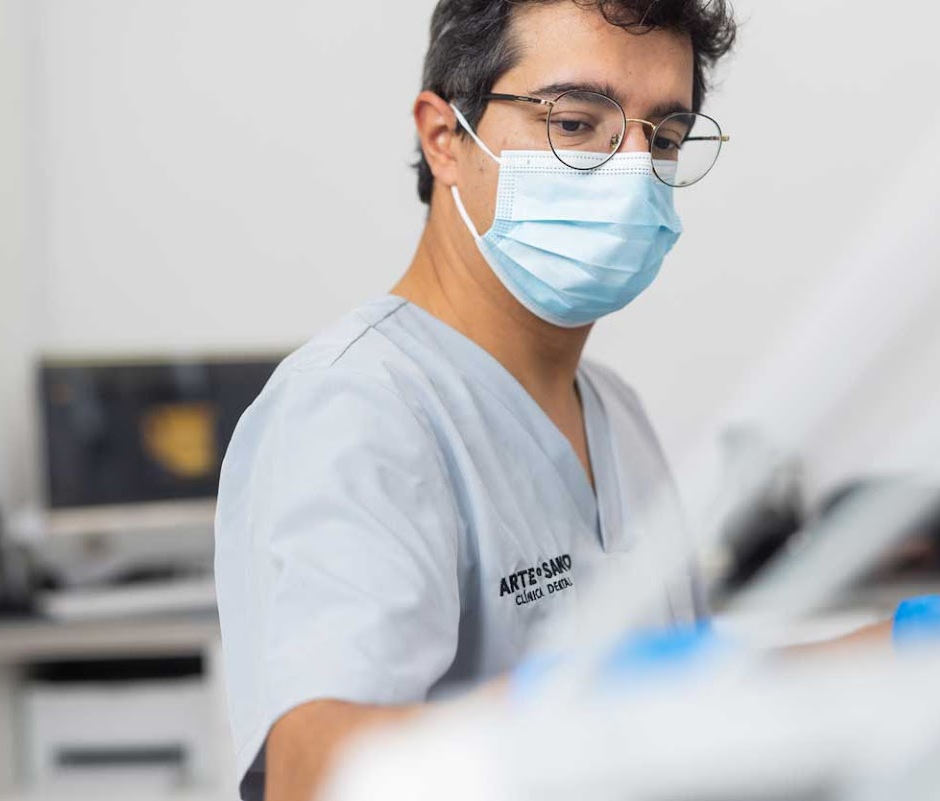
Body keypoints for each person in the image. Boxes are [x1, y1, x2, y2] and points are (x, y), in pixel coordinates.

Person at [212, 2, 892, 800]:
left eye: (665, 136)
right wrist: (588, 709)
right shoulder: (354, 410)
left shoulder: (614, 412)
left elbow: (683, 694)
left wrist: (895, 650)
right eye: (575, 123)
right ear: (445, 138)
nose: (634, 168)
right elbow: (318, 776)